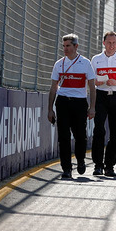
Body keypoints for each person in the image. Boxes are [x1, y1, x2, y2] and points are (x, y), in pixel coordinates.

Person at [48, 34, 96, 180]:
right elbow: (53, 88)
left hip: (80, 103)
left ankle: (80, 160)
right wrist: (50, 109)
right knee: (63, 137)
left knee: (80, 135)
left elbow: (92, 88)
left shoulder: (86, 63)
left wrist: (92, 107)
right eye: (64, 46)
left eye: (68, 46)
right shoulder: (58, 64)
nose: (65, 49)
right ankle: (66, 168)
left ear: (76, 46)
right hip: (62, 102)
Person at [90, 31, 116, 178]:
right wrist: (96, 82)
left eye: (114, 43)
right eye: (109, 42)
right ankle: (98, 165)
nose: (111, 45)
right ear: (104, 43)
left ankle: (110, 166)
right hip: (101, 96)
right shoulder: (96, 59)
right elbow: (91, 80)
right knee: (99, 130)